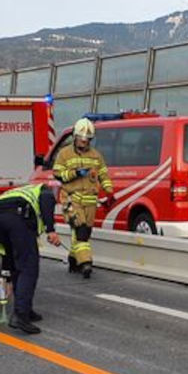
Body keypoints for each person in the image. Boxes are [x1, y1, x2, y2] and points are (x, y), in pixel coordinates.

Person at [0, 178, 66, 334]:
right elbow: (47, 200)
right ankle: (20, 316)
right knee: (29, 268)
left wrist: (7, 275)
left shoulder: (22, 191)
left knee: (16, 266)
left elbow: (8, 257)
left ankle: (25, 310)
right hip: (16, 219)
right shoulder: (44, 191)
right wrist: (51, 230)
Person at [52, 117, 115, 279]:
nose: (84, 142)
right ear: (75, 137)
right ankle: (85, 263)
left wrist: (109, 191)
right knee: (81, 230)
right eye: (81, 138)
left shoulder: (96, 156)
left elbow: (103, 175)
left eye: (87, 140)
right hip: (71, 198)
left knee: (83, 232)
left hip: (90, 200)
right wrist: (74, 173)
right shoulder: (64, 154)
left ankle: (73, 259)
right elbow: (58, 174)